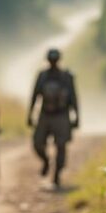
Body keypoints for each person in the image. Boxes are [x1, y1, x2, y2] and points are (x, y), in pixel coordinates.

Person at [28, 48, 78, 187]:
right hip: (45, 114)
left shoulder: (66, 76)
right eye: (51, 60)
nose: (53, 62)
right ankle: (45, 161)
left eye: (55, 60)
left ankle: (57, 175)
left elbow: (73, 97)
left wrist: (77, 116)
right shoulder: (42, 76)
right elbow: (35, 95)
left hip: (62, 115)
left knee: (61, 146)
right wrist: (30, 114)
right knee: (38, 143)